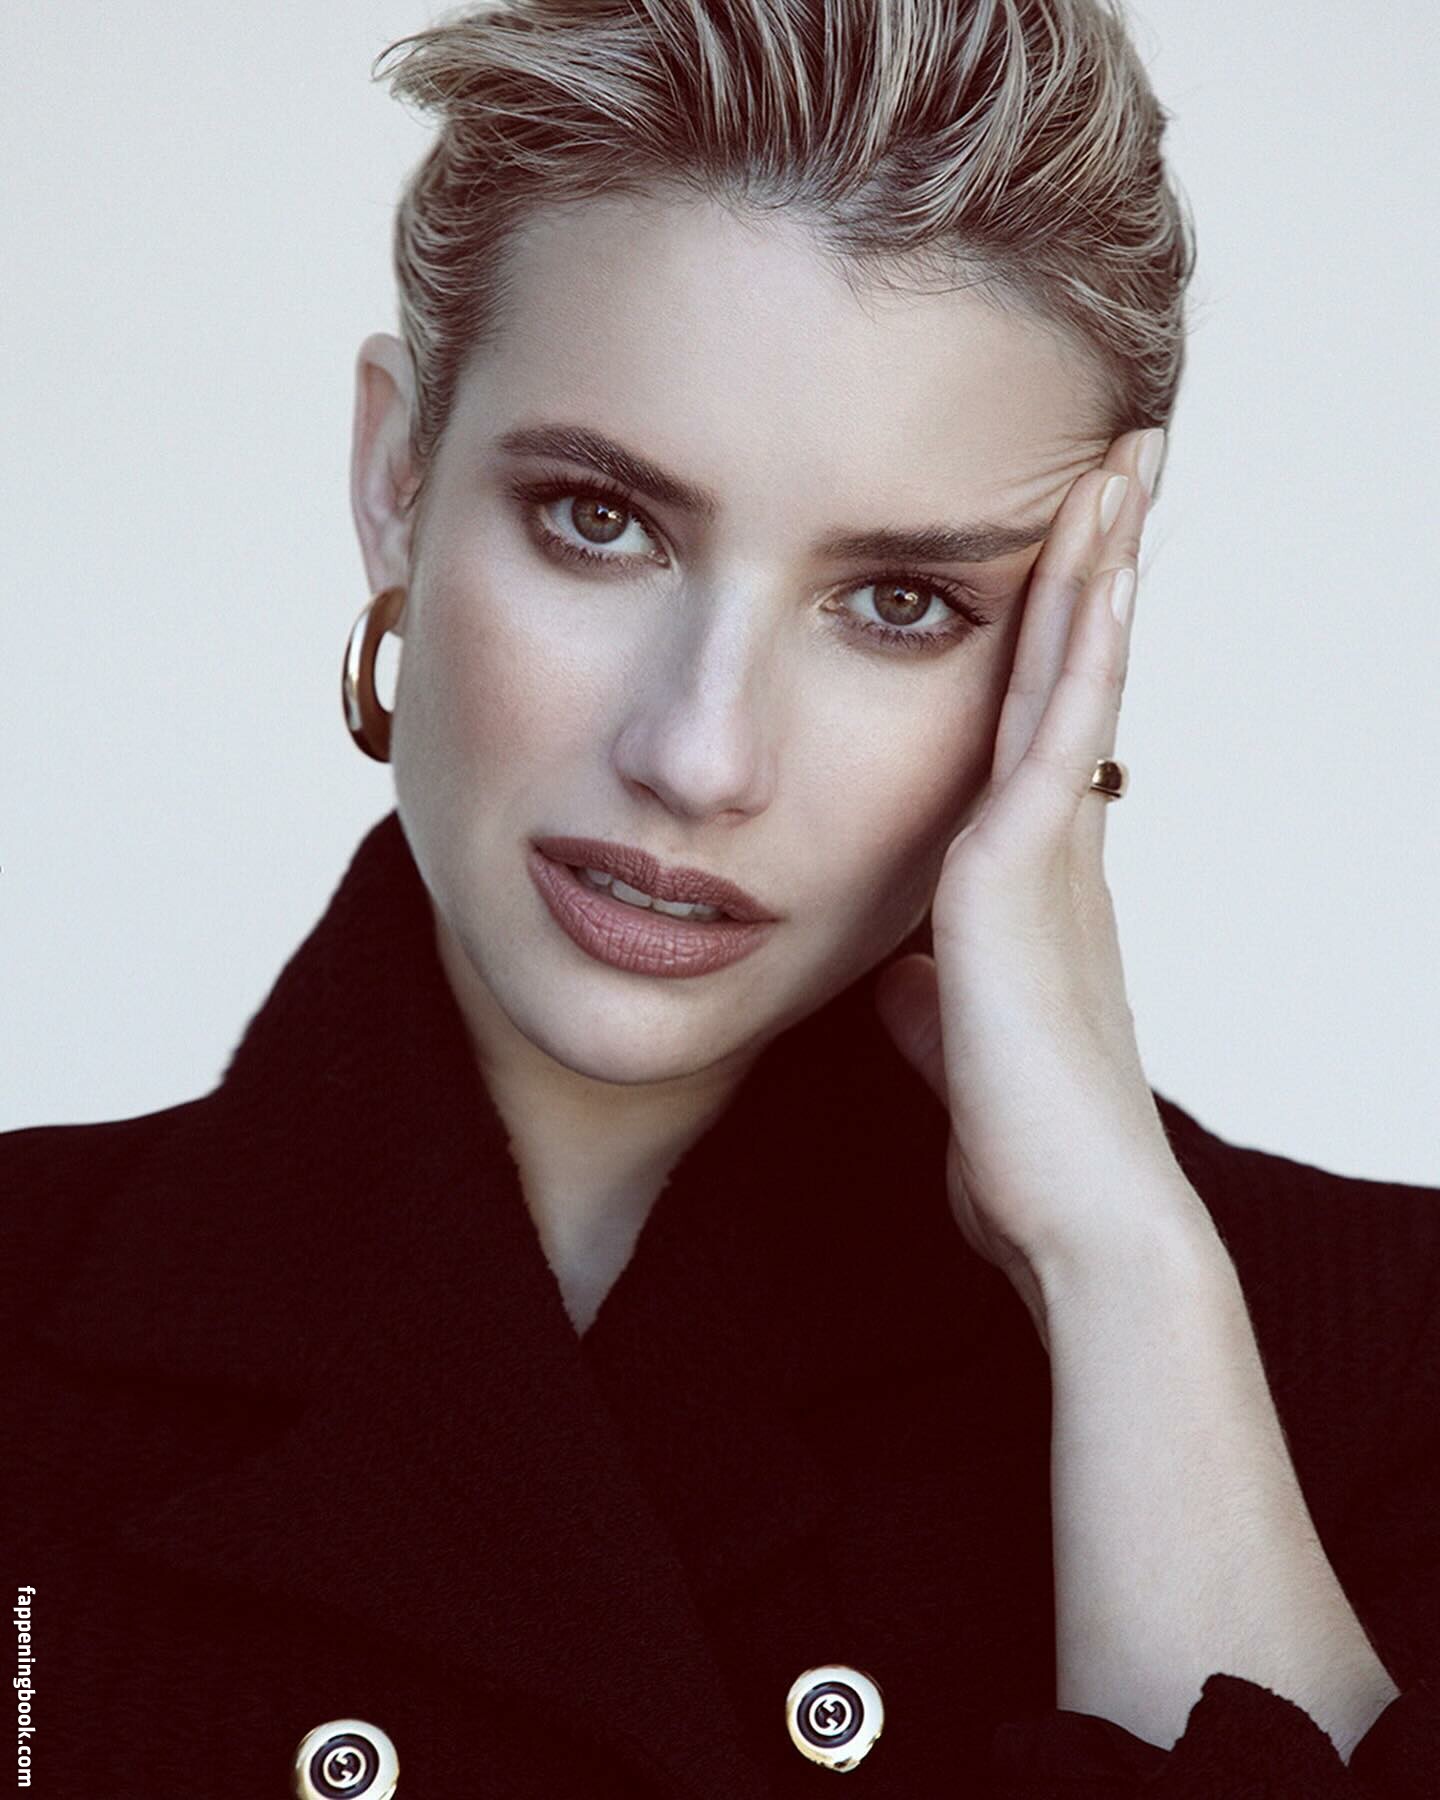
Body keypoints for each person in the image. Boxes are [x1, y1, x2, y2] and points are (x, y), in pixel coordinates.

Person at [4, 1, 1436, 1794]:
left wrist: (1128, 1283)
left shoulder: (1381, 1364)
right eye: (600, 519)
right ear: (397, 480)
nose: (699, 753)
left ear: (1068, 649)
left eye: (901, 603)